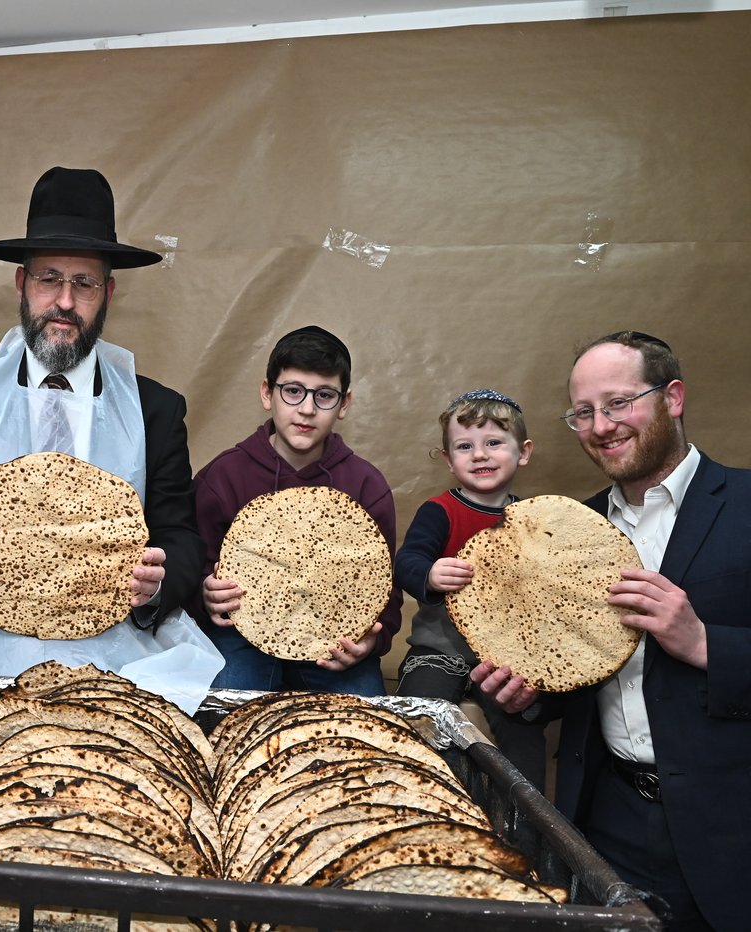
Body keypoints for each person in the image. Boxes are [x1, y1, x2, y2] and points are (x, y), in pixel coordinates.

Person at [0, 166, 218, 706]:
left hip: (114, 653)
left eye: (84, 283)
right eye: (49, 279)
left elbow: (182, 538)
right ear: (22, 283)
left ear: (108, 293)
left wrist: (157, 584)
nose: (65, 302)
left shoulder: (157, 408)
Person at [473, 331, 751, 932]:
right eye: (583, 412)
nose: (601, 426)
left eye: (619, 403)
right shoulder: (570, 529)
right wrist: (530, 693)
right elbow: (581, 669)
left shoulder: (748, 505)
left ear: (672, 397)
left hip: (733, 826)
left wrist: (706, 645)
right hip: (607, 820)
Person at [190, 325, 401, 695]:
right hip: (241, 637)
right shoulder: (224, 476)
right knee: (227, 712)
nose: (306, 409)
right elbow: (190, 564)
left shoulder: (365, 485)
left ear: (344, 404)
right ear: (267, 393)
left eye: (324, 395)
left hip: (332, 644)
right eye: (292, 391)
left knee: (364, 726)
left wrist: (371, 642)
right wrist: (203, 594)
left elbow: (385, 586)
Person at [393, 389, 549, 789]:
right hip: (440, 649)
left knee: (524, 736)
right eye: (465, 446)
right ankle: (415, 797)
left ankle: (527, 825)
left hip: (506, 657)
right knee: (416, 719)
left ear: (523, 451)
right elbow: (406, 562)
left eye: (494, 443)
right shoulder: (440, 511)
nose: (479, 455)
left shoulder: (532, 520)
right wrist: (429, 574)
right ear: (448, 459)